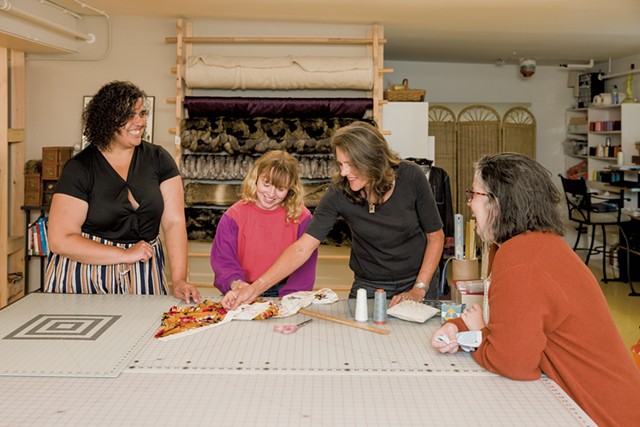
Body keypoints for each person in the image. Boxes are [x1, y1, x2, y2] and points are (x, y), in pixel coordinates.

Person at [430, 153, 640, 426]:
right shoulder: (534, 245)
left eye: (474, 194)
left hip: (601, 416)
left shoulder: (521, 261)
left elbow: (513, 363)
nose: (469, 203)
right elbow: (513, 325)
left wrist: (478, 335)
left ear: (498, 204)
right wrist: (459, 327)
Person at [222, 121, 444, 310]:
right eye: (340, 164)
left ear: (373, 160)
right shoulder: (340, 189)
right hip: (368, 284)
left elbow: (436, 236)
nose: (344, 172)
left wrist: (419, 289)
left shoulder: (411, 177)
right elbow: (302, 247)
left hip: (418, 280)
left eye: (350, 165)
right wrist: (255, 289)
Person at [45, 81, 201, 303]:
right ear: (108, 121)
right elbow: (60, 240)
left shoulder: (158, 159)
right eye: (130, 115)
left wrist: (179, 279)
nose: (140, 122)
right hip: (85, 275)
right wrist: (125, 255)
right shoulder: (80, 168)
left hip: (144, 271)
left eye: (142, 113)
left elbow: (174, 222)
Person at [210, 150, 317, 297]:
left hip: (284, 292)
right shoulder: (234, 216)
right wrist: (237, 284)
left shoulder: (302, 217)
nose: (271, 194)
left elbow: (304, 268)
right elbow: (224, 261)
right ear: (256, 178)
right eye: (266, 184)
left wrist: (290, 298)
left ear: (291, 189)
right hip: (242, 288)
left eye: (280, 189)